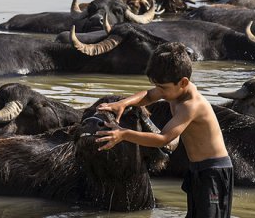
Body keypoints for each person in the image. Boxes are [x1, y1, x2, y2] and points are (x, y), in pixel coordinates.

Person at [96, 42, 233, 218]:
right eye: (157, 86)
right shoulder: (173, 90)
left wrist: (123, 134)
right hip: (197, 169)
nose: (159, 92)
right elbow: (149, 95)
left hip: (214, 171)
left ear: (183, 82)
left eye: (163, 88)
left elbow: (164, 138)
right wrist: (122, 103)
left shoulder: (191, 105)